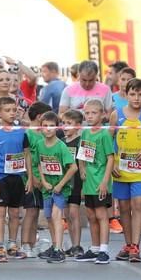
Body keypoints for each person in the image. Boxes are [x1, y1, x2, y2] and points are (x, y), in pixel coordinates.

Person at [110, 78, 141, 262]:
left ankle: (136, 246)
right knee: (123, 207)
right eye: (133, 94)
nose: (137, 98)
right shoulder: (116, 115)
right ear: (126, 94)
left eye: (140, 94)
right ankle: (128, 243)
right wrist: (112, 163)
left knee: (138, 205)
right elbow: (109, 140)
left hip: (140, 170)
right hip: (120, 169)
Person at [0, 97, 32, 262]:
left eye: (14, 110)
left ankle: (12, 244)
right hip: (0, 177)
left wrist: (30, 178)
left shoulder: (22, 131)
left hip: (18, 177)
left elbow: (27, 155)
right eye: (7, 110)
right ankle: (0, 246)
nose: (12, 113)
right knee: (0, 212)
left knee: (15, 213)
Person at [75, 99, 114, 264]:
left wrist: (105, 181)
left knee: (101, 214)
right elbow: (82, 153)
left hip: (100, 181)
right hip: (88, 181)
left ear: (102, 114)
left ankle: (104, 249)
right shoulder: (85, 132)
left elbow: (110, 158)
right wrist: (82, 168)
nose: (90, 116)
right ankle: (94, 248)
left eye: (94, 113)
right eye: (87, 113)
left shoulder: (104, 133)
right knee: (90, 214)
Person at [35, 111, 78, 263]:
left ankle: (59, 250)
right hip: (47, 187)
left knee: (56, 216)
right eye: (45, 126)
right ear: (40, 128)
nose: (48, 129)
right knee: (48, 217)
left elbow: (73, 168)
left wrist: (60, 184)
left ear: (57, 128)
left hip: (61, 188)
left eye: (51, 126)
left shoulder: (61, 146)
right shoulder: (39, 145)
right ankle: (54, 246)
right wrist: (43, 180)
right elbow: (39, 163)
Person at [21, 101, 52, 257]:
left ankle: (32, 243)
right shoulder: (28, 134)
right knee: (31, 212)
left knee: (36, 212)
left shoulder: (43, 134)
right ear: (40, 117)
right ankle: (25, 244)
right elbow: (27, 157)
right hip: (31, 179)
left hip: (43, 179)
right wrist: (31, 178)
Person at [61, 109, 85, 257]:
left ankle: (77, 245)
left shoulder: (80, 142)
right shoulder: (61, 142)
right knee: (67, 215)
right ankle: (72, 244)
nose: (65, 126)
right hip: (63, 182)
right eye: (63, 123)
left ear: (78, 126)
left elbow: (83, 163)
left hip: (75, 182)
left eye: (69, 123)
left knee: (74, 213)